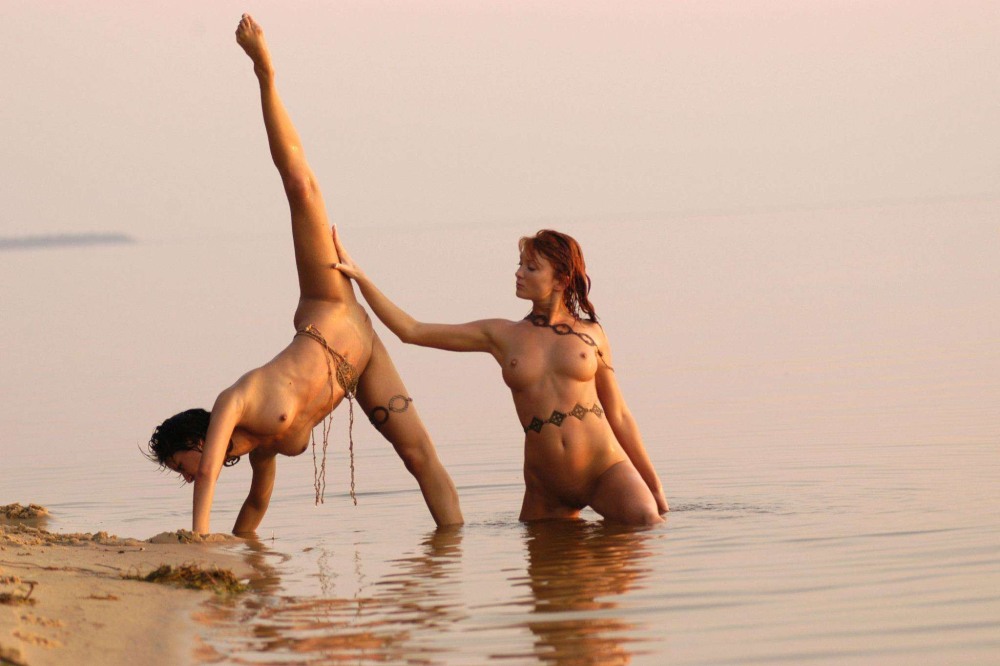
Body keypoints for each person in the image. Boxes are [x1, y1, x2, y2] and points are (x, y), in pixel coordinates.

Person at [145, 14, 462, 535]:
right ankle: (454, 550)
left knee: (300, 187)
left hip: (328, 306)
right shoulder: (261, 450)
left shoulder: (234, 402)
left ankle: (265, 72)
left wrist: (198, 539)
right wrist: (239, 550)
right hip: (361, 358)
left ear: (197, 443)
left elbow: (208, 479)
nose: (188, 475)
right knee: (416, 454)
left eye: (182, 465)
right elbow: (255, 508)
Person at [332, 227, 668, 525]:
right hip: (545, 485)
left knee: (646, 522)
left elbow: (619, 414)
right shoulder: (502, 335)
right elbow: (412, 330)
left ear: (561, 280)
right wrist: (361, 278)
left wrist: (654, 485)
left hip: (603, 470)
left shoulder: (592, 334)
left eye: (531, 268)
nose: (518, 273)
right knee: (552, 575)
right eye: (520, 264)